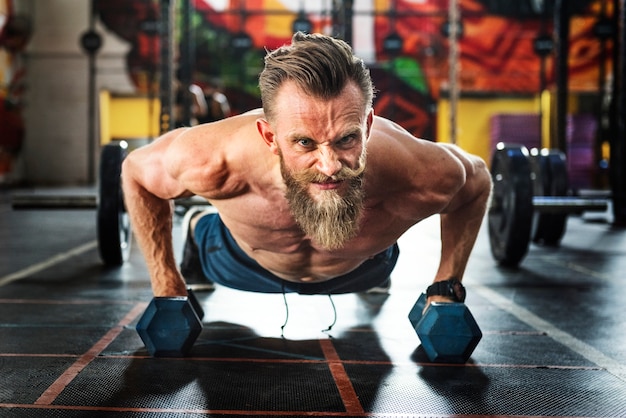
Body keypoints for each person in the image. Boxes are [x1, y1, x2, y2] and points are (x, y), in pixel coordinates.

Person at [121, 32, 492, 308]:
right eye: (305, 143)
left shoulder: (418, 170)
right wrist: (167, 285)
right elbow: (136, 171)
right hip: (237, 264)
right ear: (270, 136)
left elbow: (477, 183)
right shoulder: (215, 160)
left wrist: (446, 288)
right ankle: (201, 226)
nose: (329, 166)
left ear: (367, 125)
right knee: (211, 229)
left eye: (346, 139)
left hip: (364, 271)